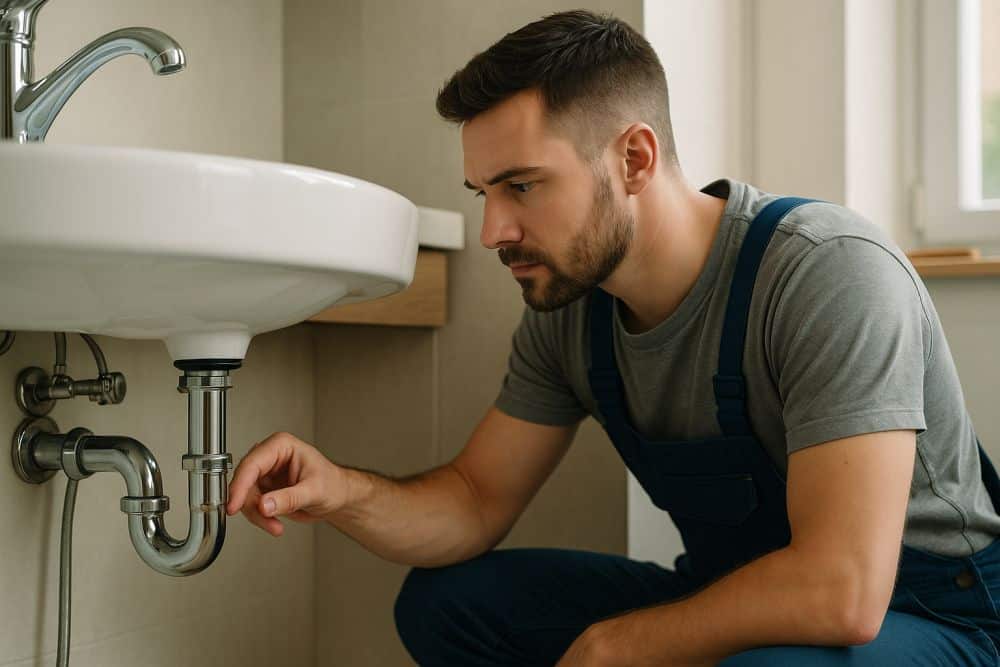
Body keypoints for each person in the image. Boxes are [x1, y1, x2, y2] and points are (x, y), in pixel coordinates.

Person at [226, 9, 1000, 666]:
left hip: (939, 617)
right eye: (484, 192)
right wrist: (341, 491)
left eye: (522, 185)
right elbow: (473, 499)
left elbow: (843, 588)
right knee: (445, 603)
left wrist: (622, 643)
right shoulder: (567, 309)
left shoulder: (825, 274)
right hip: (731, 586)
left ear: (634, 158)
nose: (494, 228)